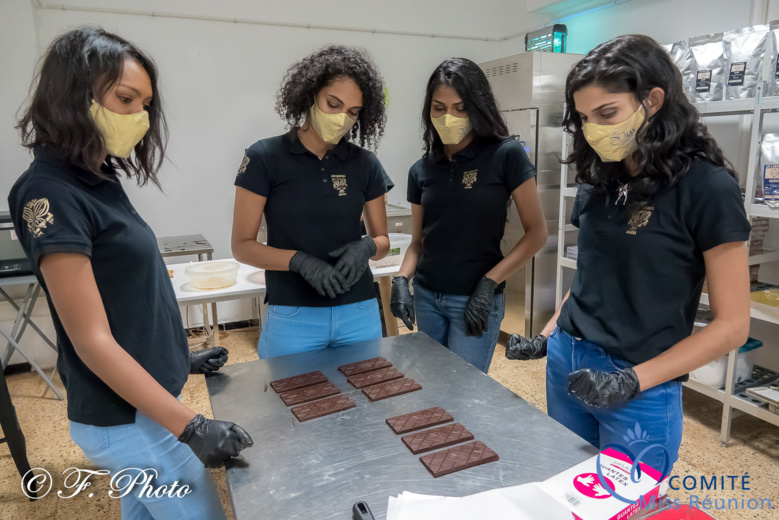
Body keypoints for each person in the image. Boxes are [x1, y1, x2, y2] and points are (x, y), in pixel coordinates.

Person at [9, 27, 252, 519]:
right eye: (124, 99)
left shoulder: (96, 176)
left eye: (144, 104)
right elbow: (92, 340)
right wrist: (191, 427)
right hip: (126, 420)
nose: (138, 117)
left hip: (142, 404)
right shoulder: (49, 193)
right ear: (73, 95)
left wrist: (175, 357)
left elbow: (124, 296)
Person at [507, 35, 751, 472]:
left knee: (624, 504)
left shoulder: (707, 188)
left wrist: (632, 380)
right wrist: (547, 335)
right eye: (584, 117)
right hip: (569, 359)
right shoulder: (598, 178)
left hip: (641, 380)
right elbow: (590, 278)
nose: (593, 129)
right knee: (567, 489)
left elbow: (733, 326)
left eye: (607, 114)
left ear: (652, 100)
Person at [390, 58, 547, 373]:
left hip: (476, 299)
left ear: (478, 108)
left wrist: (490, 283)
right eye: (439, 107)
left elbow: (536, 233)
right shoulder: (421, 169)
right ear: (428, 110)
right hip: (427, 296)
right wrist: (401, 279)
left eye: (460, 108)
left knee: (463, 394)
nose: (449, 117)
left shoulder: (506, 155)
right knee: (431, 384)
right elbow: (419, 242)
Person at [232, 45, 390, 358]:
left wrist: (368, 246)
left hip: (359, 311)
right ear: (310, 95)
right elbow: (242, 245)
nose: (342, 119)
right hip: (293, 315)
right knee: (286, 404)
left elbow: (383, 240)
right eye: (334, 104)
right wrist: (299, 261)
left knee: (366, 404)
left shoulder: (365, 163)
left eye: (353, 112)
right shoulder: (264, 157)